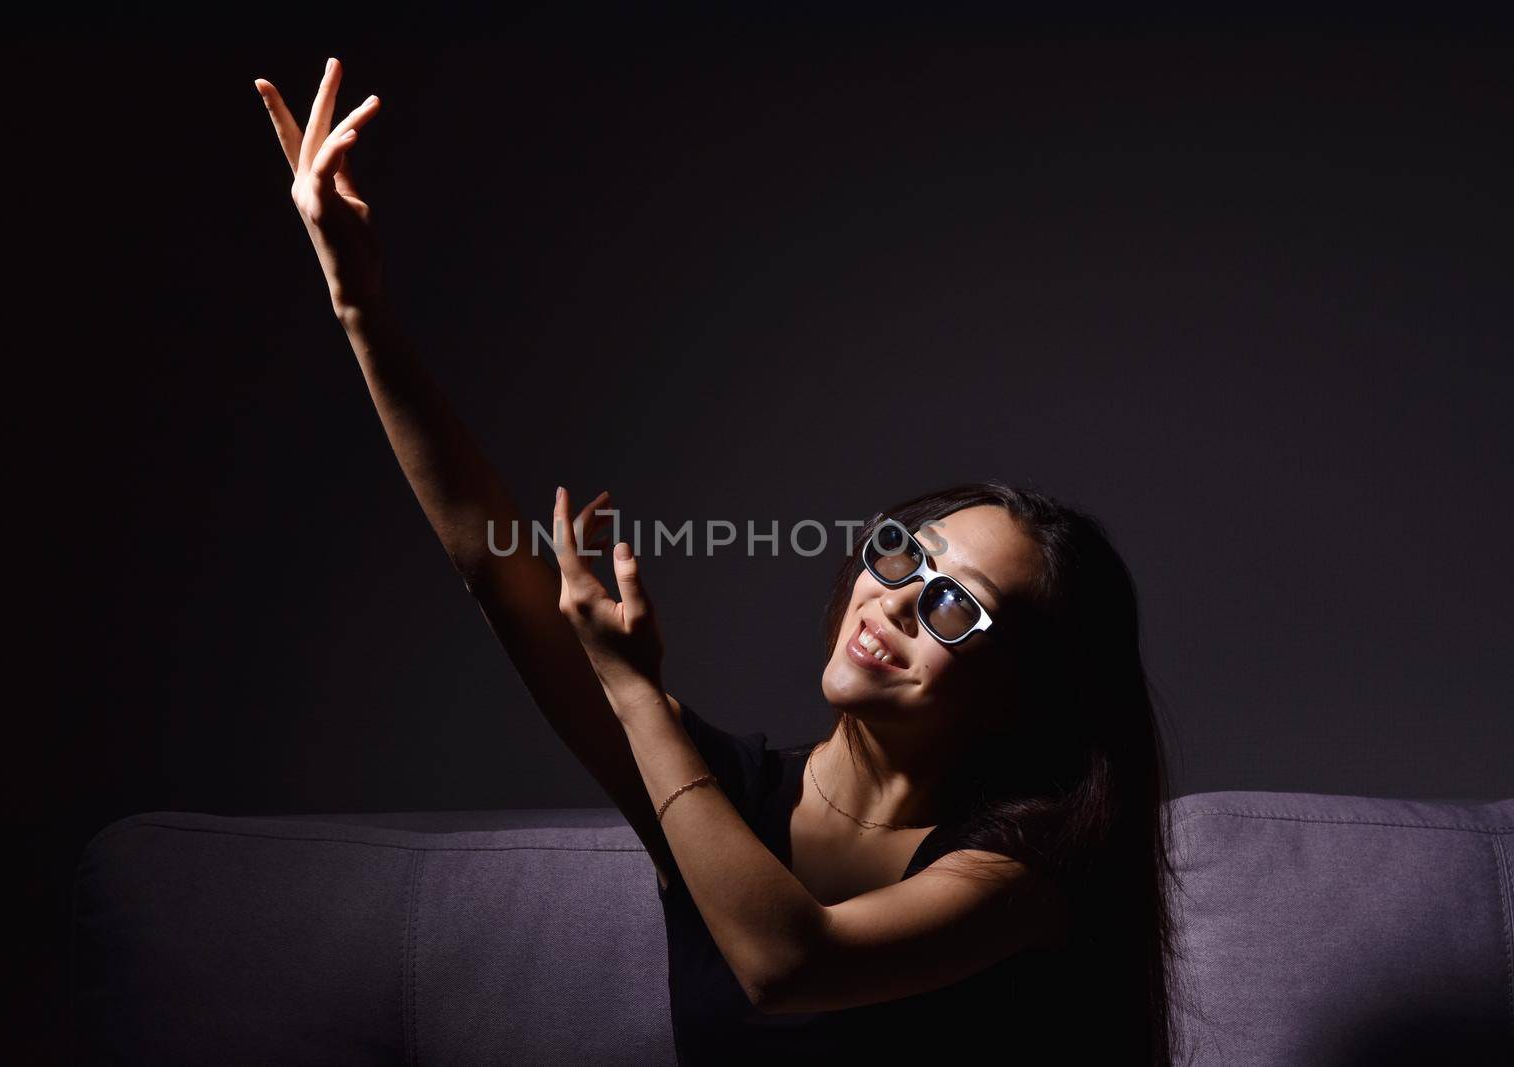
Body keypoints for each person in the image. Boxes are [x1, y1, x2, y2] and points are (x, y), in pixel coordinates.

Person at [254, 57, 1186, 1065]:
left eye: (956, 604)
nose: (896, 601)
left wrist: (636, 697)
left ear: (1024, 689)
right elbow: (491, 560)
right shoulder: (724, 792)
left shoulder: (1026, 868)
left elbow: (790, 965)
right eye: (901, 555)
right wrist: (359, 304)